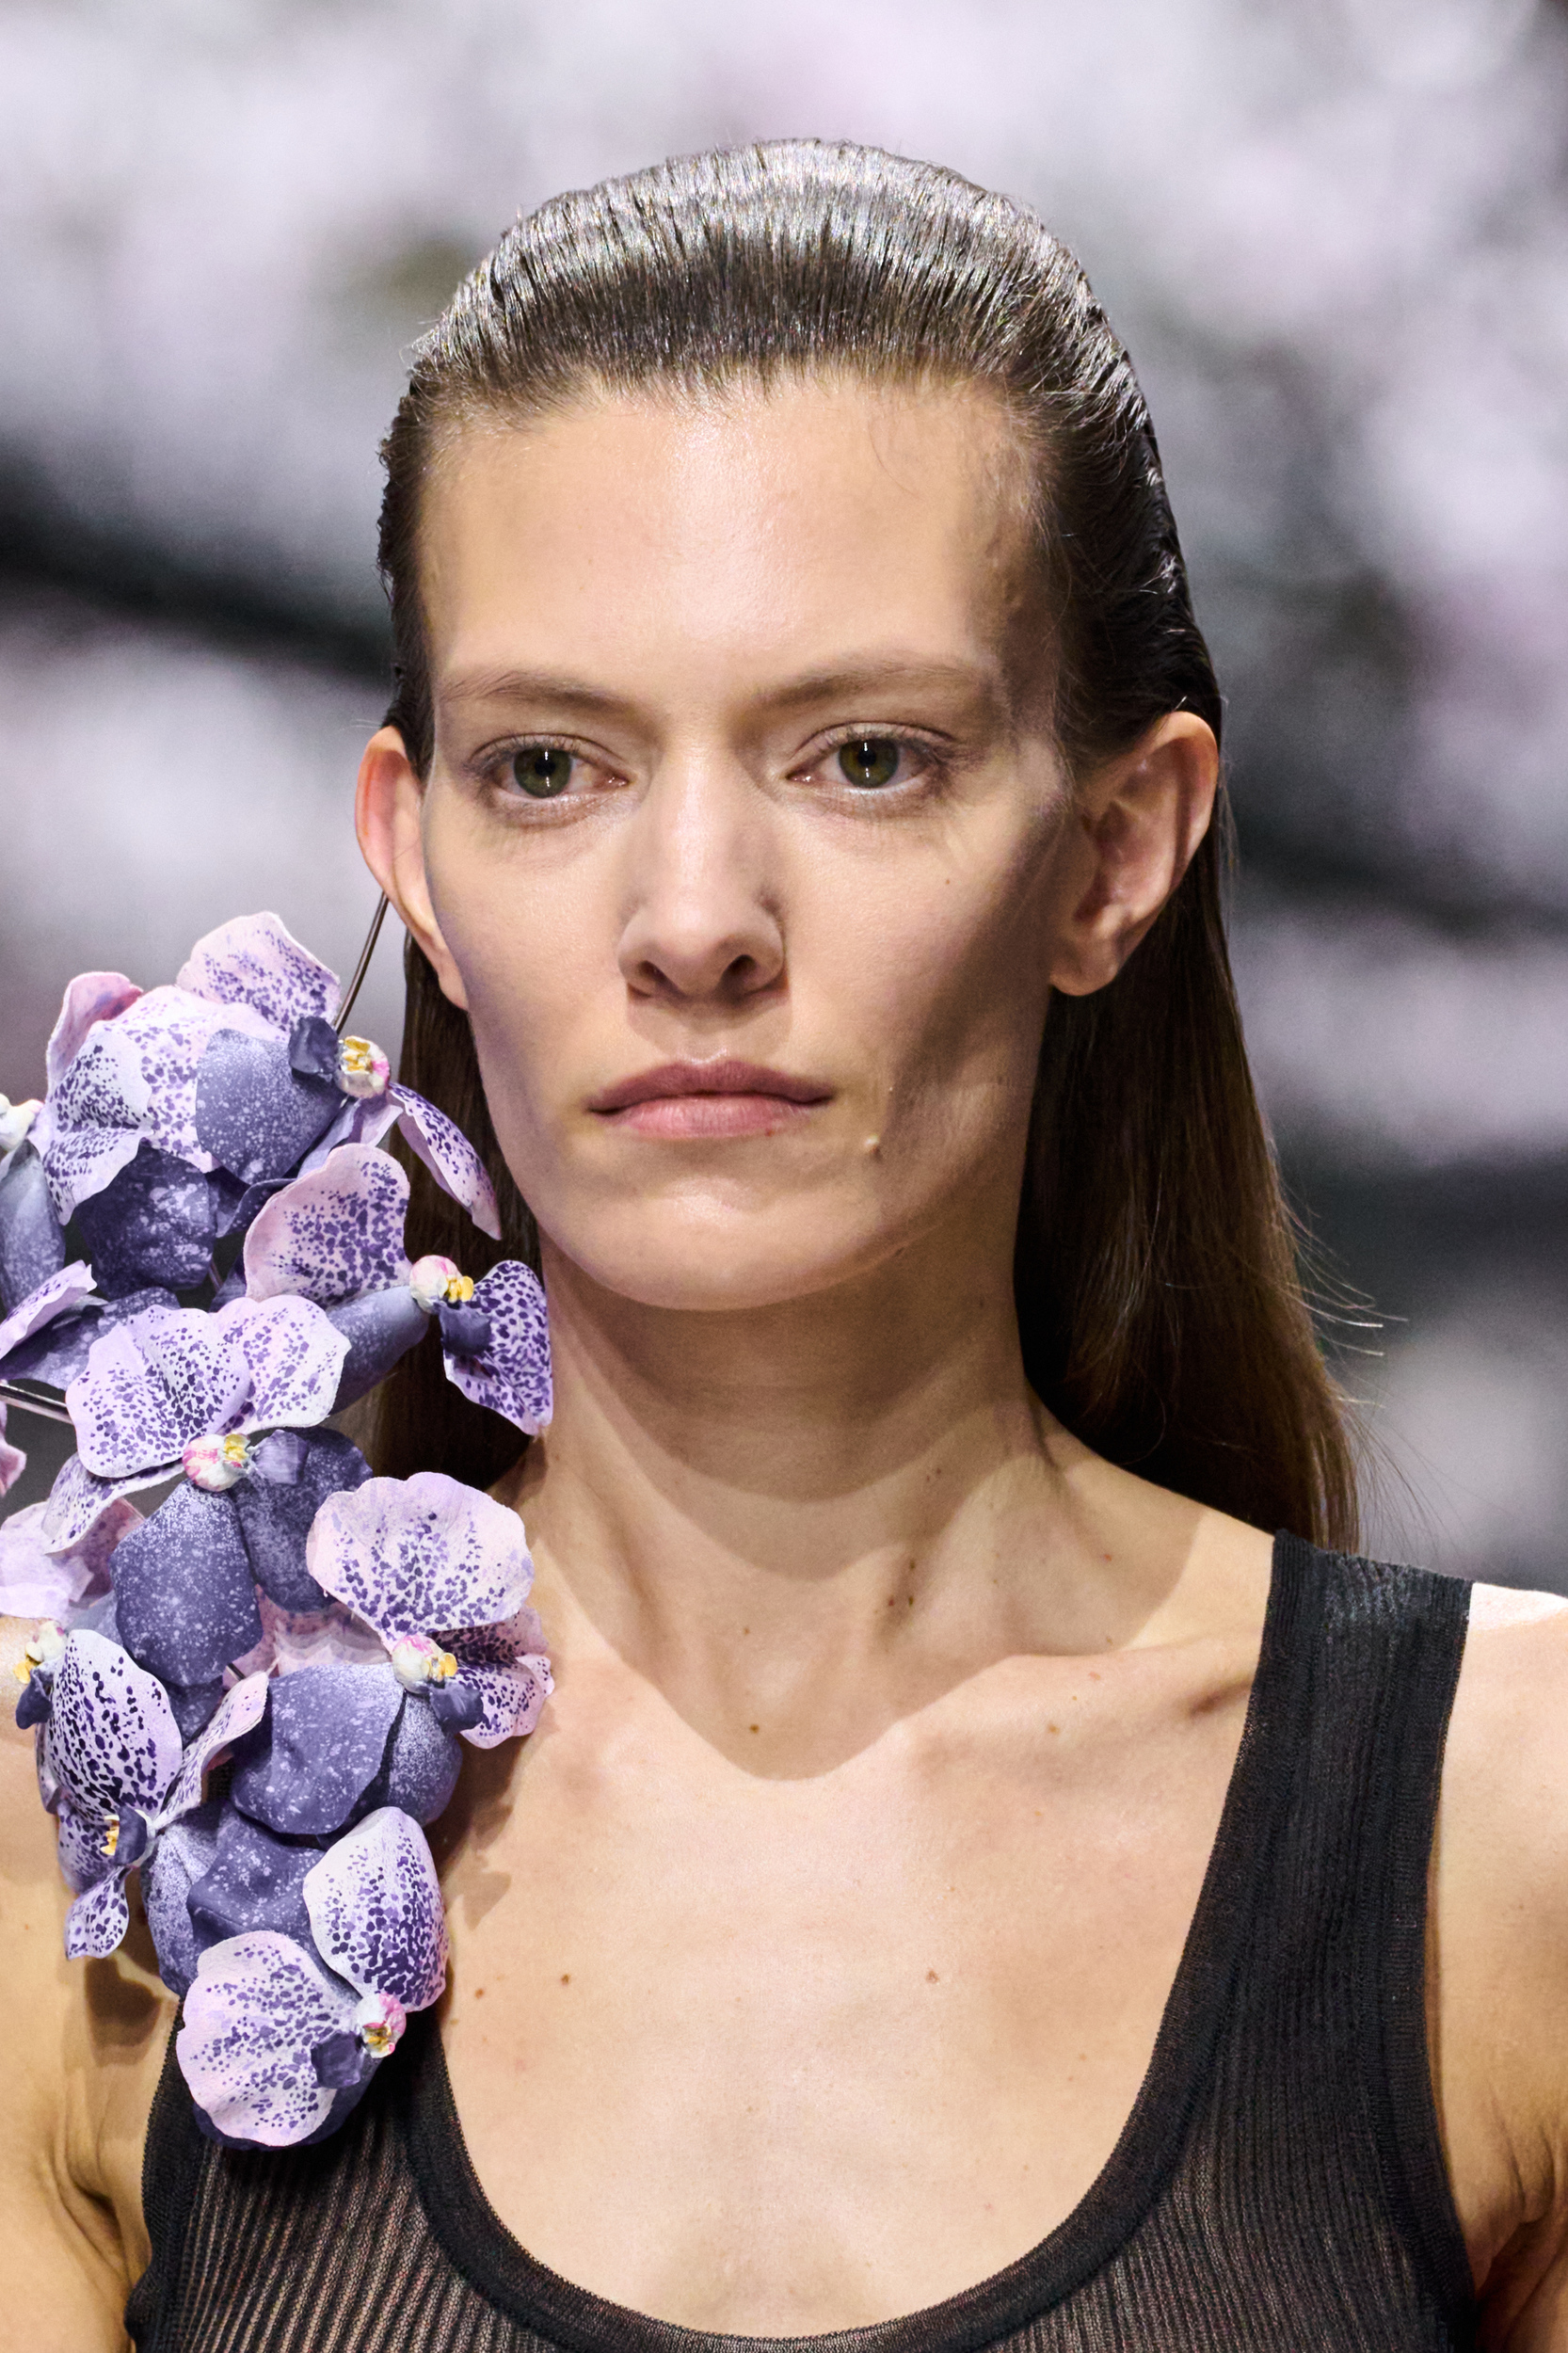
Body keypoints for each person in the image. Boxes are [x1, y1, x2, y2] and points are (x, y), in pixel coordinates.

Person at [4, 139, 1568, 2353]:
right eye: (550, 767)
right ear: (411, 855)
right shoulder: (80, 1853)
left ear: (1115, 847)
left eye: (861, 757)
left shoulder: (1509, 1831)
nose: (694, 923)